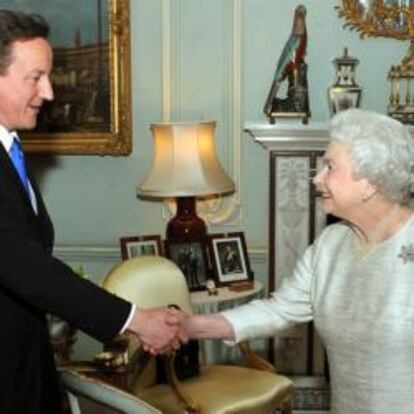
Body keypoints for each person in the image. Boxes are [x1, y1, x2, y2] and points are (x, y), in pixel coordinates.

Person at [0, 10, 181, 414]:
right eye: (35, 77)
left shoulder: (11, 145)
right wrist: (135, 319)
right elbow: (24, 266)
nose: (48, 93)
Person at [179, 108, 414, 414]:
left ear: (369, 181)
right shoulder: (331, 245)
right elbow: (280, 310)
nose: (316, 178)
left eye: (330, 167)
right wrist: (192, 326)